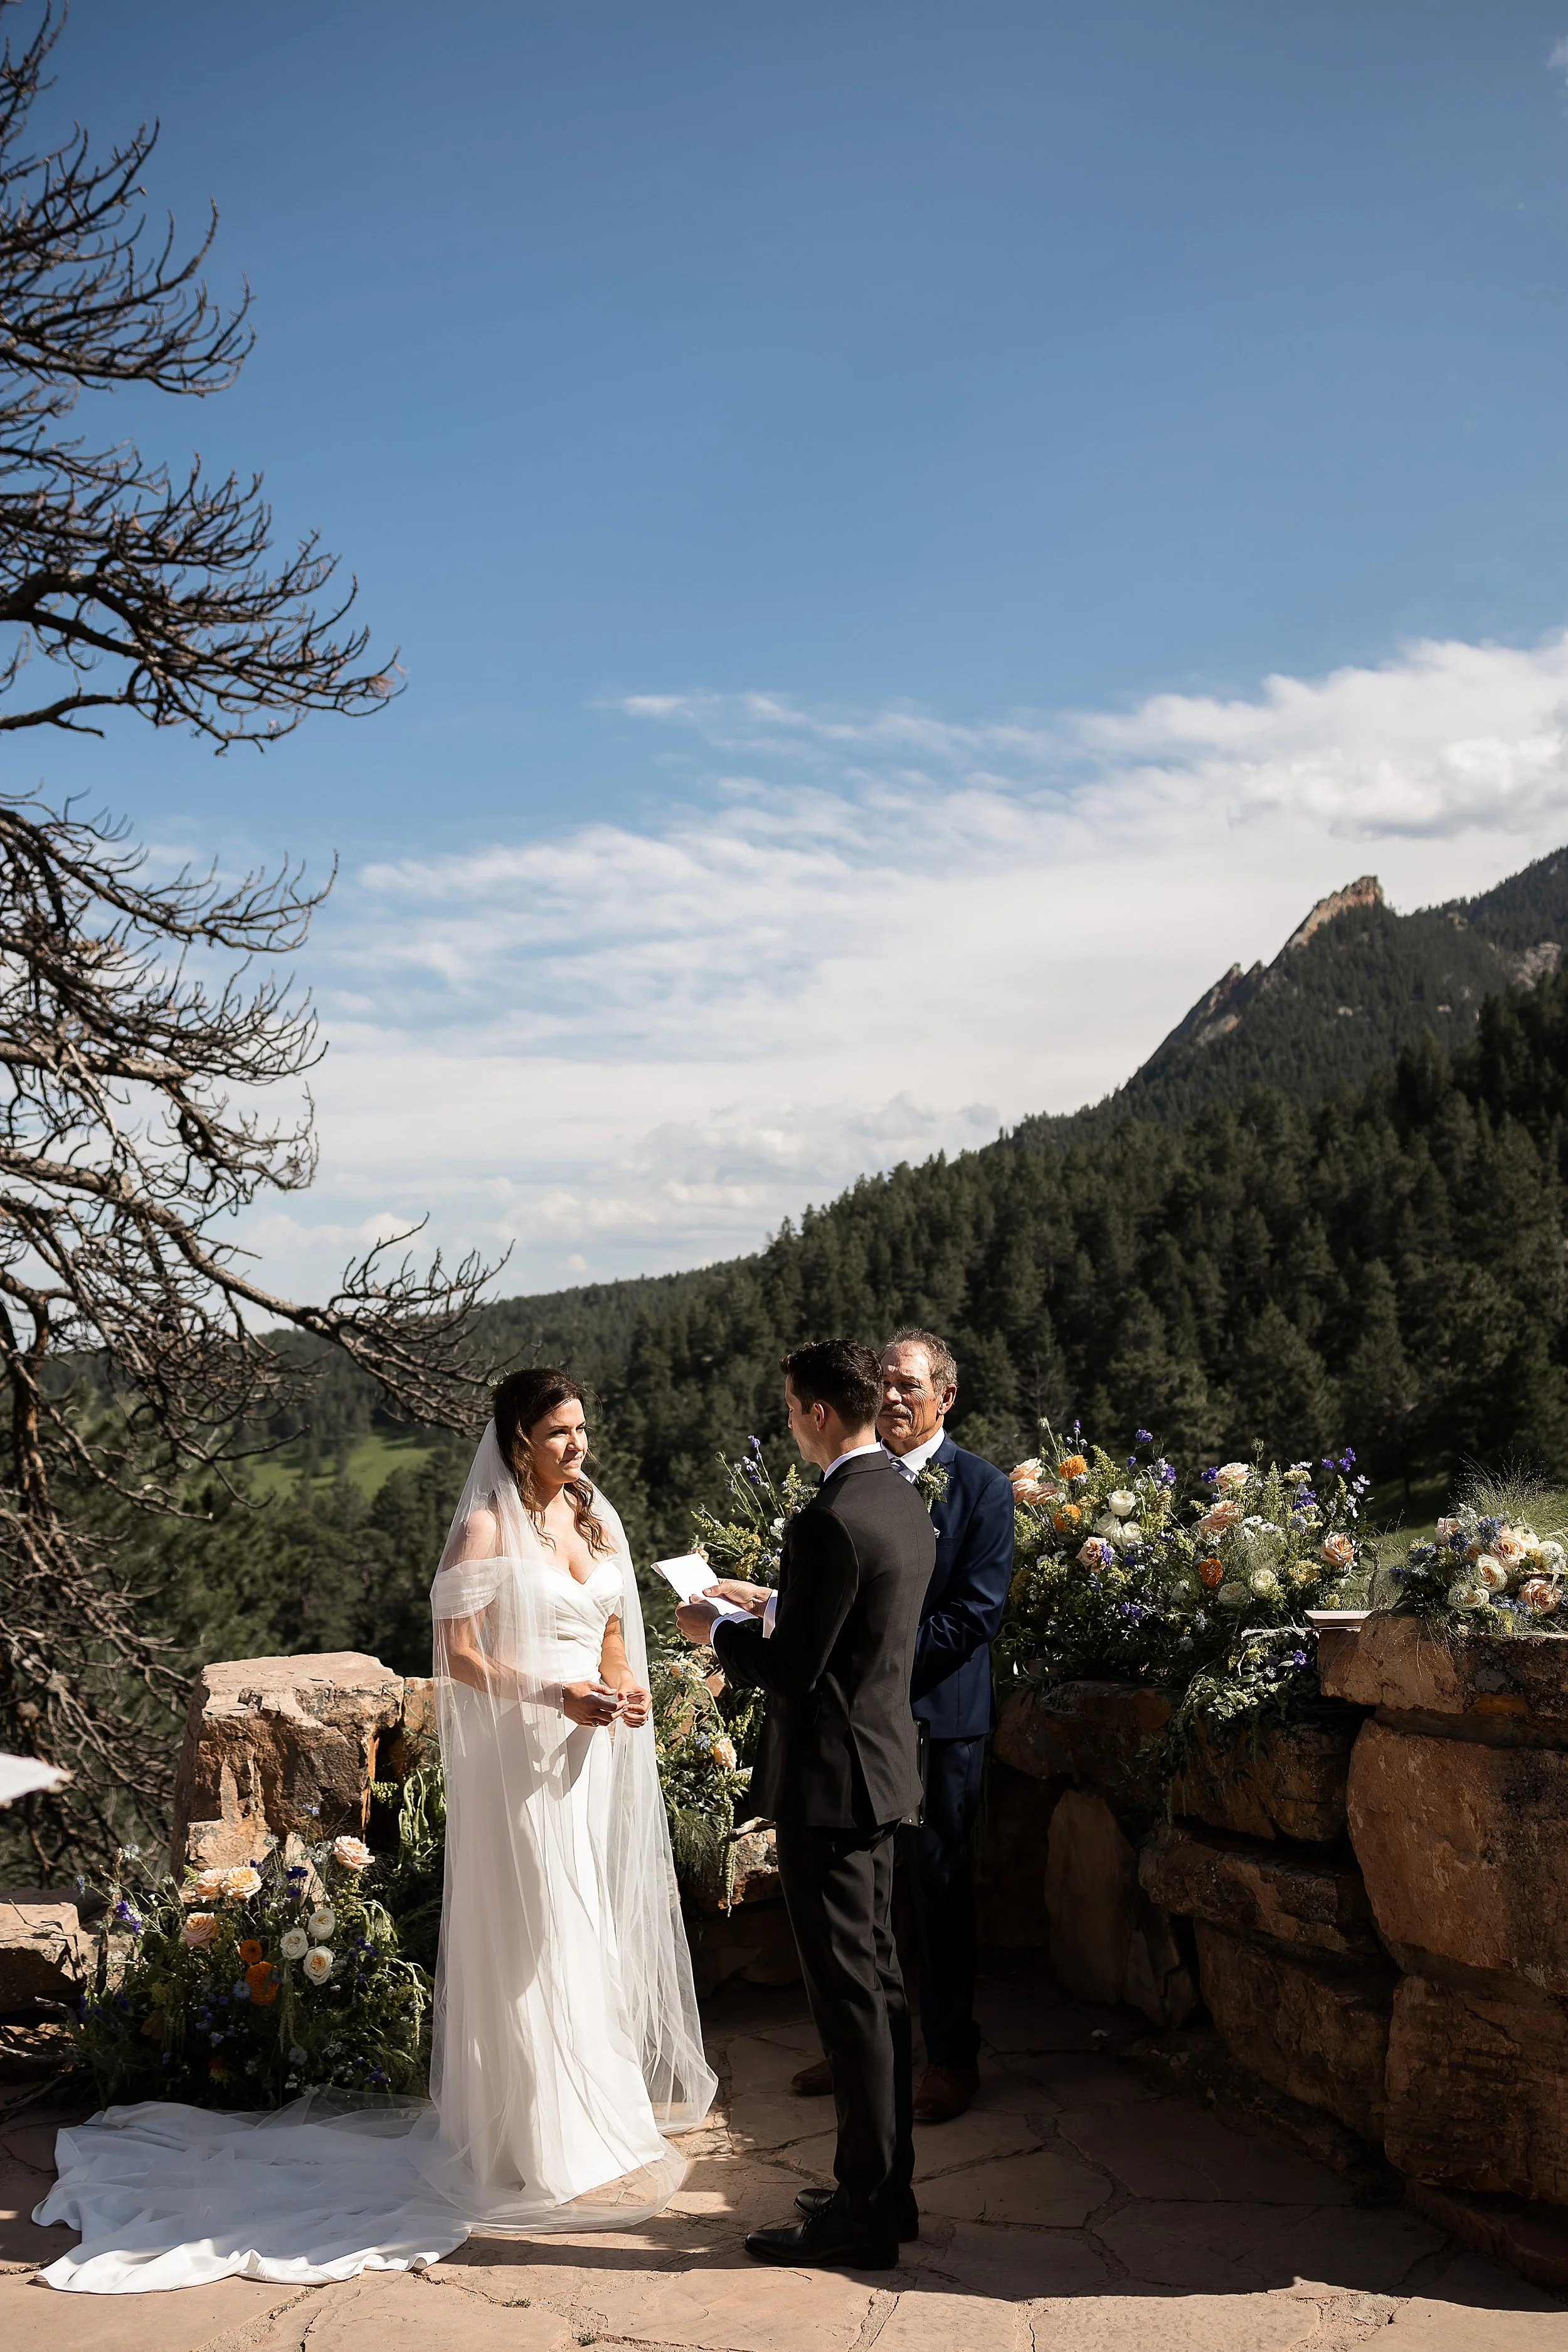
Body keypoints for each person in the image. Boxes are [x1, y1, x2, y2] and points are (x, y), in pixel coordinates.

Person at [34, 1367, 716, 2294]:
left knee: (580, 1917)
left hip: (586, 1751)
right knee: (532, 1925)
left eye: (583, 1428)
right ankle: (532, 2135)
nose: (578, 1445)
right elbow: (464, 1654)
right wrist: (555, 1692)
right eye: (559, 1432)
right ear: (519, 1439)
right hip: (523, 1747)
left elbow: (609, 1628)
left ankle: (591, 2108)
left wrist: (623, 1687)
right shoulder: (486, 1526)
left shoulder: (592, 1513)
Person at [710, 1330, 1014, 2127]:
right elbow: (849, 1609)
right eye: (882, 1381)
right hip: (864, 1727)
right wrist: (773, 1608)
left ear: (944, 1396)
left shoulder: (977, 1489)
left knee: (937, 1892)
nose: (891, 1396)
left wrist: (871, 1673)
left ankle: (949, 2059)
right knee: (865, 1914)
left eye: (908, 1384)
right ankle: (865, 2047)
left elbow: (971, 1617)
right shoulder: (863, 1486)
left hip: (936, 1722)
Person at [677, 1340, 935, 2270]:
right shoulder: (897, 1496)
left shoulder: (827, 1517)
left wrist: (721, 1631)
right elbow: (858, 1627)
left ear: (820, 1411)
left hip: (831, 1785)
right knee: (881, 1987)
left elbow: (795, 1672)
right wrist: (777, 1601)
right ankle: (886, 2189)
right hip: (882, 1772)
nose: (789, 1422)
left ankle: (864, 2211)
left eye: (791, 1407)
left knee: (850, 1999)